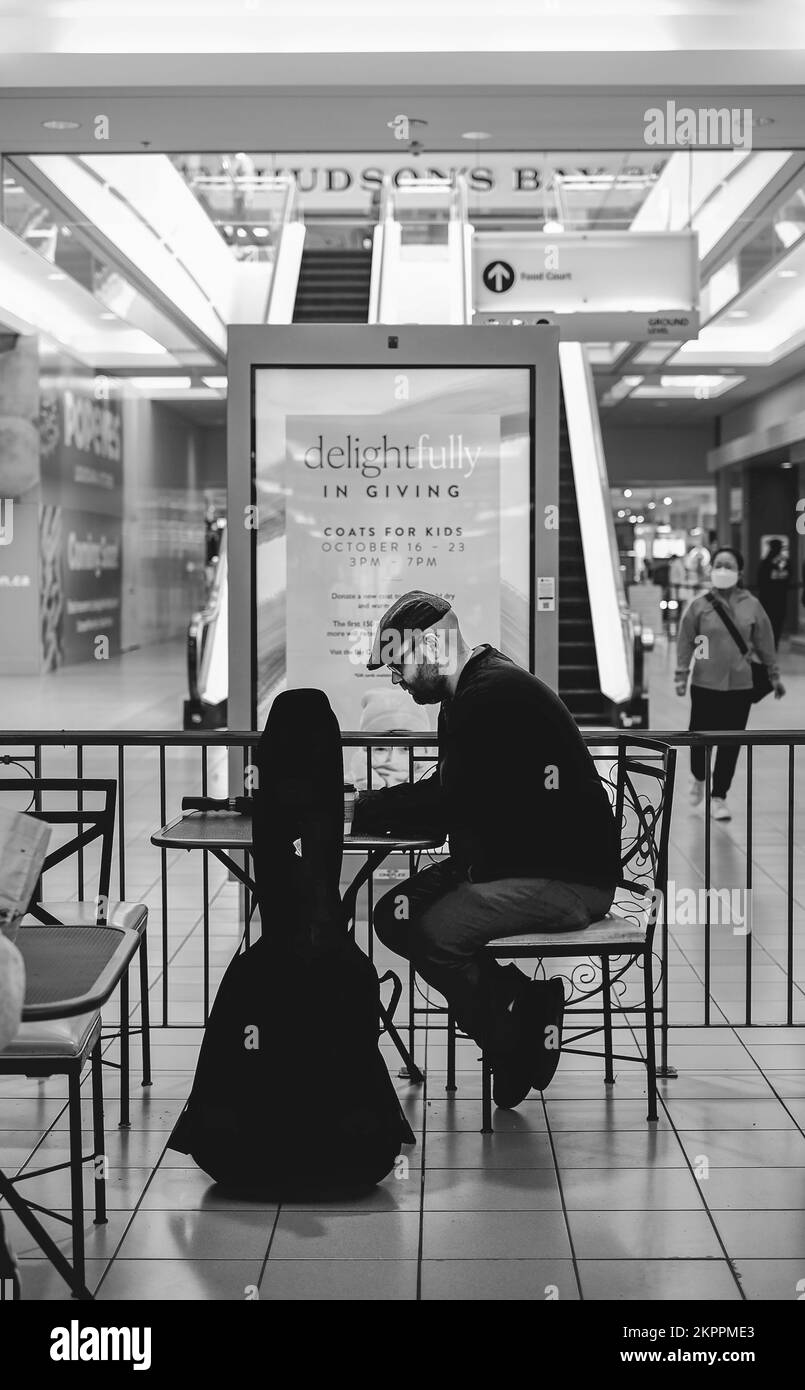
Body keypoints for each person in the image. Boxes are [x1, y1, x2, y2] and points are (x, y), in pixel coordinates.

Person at [352, 590, 620, 1111]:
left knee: (433, 935)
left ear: (431, 644)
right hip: (516, 861)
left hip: (565, 879)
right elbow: (456, 793)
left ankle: (513, 1048)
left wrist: (360, 809)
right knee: (392, 916)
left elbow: (448, 800)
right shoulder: (472, 692)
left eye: (398, 664)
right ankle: (526, 1006)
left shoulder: (489, 695)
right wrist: (369, 806)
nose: (397, 681)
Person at [675, 547, 785, 821]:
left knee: (730, 742)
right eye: (719, 564)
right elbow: (685, 640)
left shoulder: (752, 605)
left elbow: (765, 642)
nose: (723, 569)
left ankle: (719, 796)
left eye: (729, 565)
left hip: (740, 686)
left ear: (739, 572)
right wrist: (680, 674)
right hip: (704, 683)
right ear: (712, 569)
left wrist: (774, 674)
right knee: (699, 738)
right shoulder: (699, 605)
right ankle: (699, 778)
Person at [756, 538, 790, 647]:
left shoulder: (766, 561)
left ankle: (769, 644)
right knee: (778, 622)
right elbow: (788, 578)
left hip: (766, 598)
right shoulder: (784, 561)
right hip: (780, 598)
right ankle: (775, 644)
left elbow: (760, 579)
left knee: (767, 622)